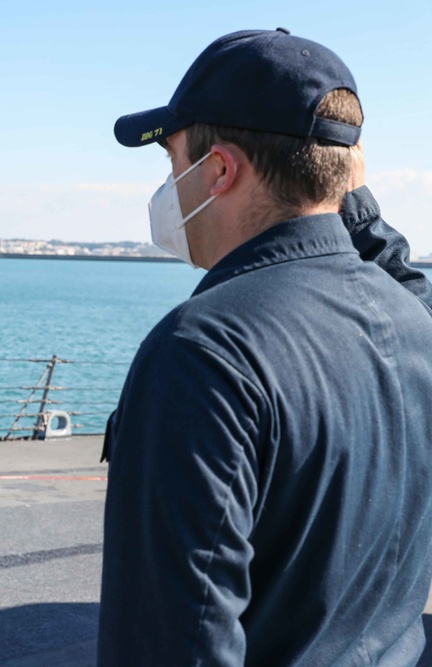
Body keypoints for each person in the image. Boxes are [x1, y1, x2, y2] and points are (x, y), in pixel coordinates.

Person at [98, 29, 432, 665]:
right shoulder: (414, 324)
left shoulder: (202, 352)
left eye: (173, 163)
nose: (171, 187)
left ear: (220, 169)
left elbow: (176, 645)